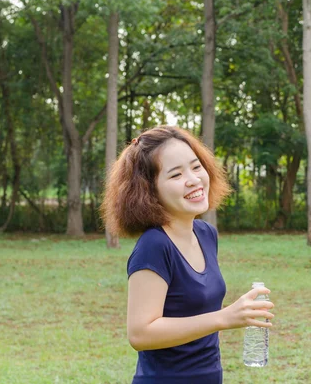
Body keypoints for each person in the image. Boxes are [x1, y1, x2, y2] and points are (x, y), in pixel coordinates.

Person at [101, 126, 274, 384]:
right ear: (149, 190)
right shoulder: (154, 245)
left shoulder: (205, 234)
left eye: (196, 167)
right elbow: (140, 334)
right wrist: (223, 318)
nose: (193, 179)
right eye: (175, 175)